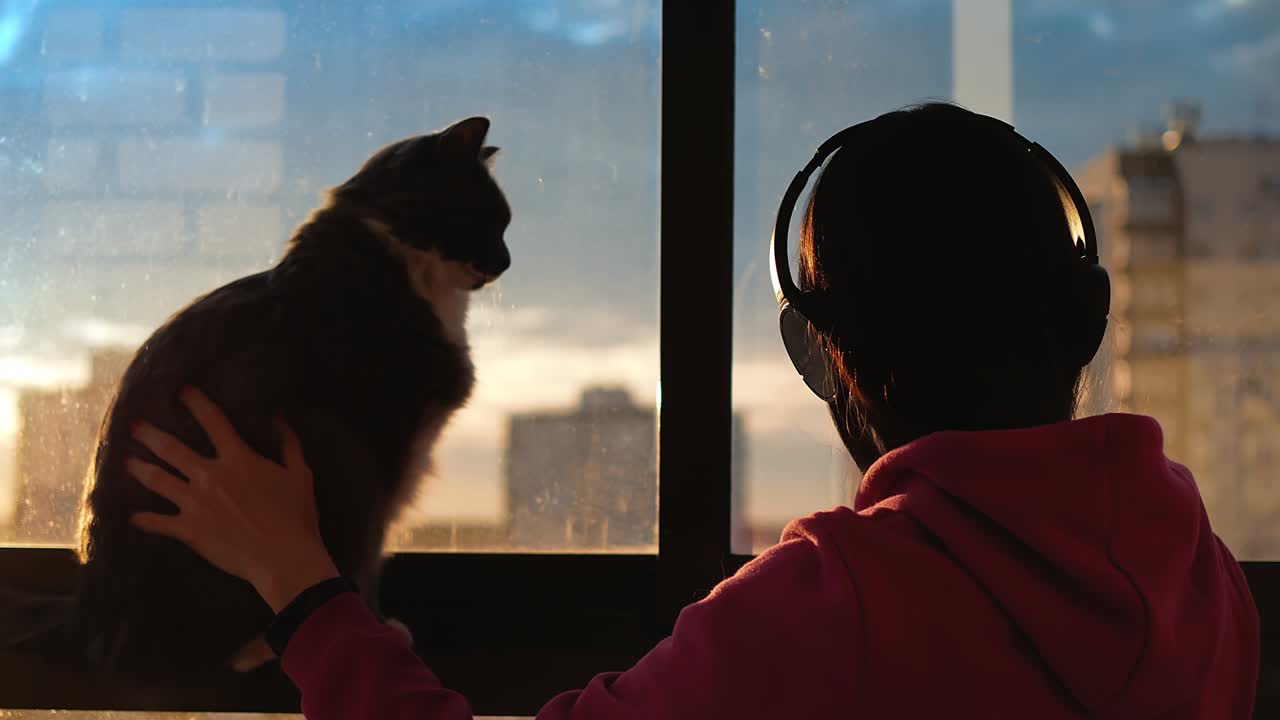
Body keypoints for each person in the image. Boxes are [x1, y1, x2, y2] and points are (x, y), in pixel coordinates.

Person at [126, 103, 1259, 718]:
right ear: (1087, 315)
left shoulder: (833, 607)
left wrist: (304, 593)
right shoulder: (1197, 573)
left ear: (821, 354)